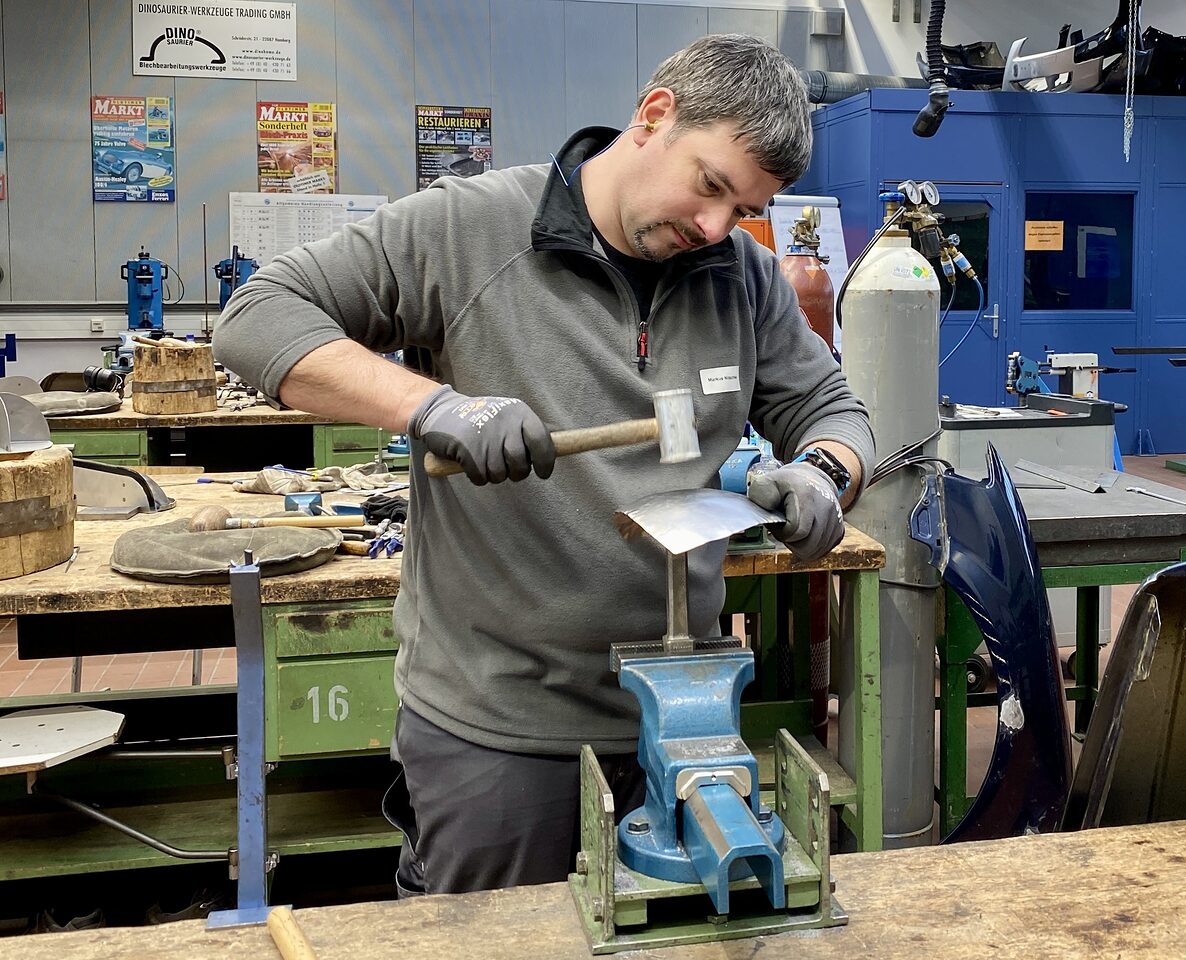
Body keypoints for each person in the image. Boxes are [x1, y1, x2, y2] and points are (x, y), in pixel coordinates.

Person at [214, 34, 874, 896]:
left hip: (682, 718)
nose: (716, 226)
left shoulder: (738, 274)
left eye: (742, 207)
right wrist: (437, 407)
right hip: (500, 728)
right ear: (654, 116)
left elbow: (835, 410)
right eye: (710, 186)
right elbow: (256, 318)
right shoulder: (469, 227)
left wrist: (825, 473)